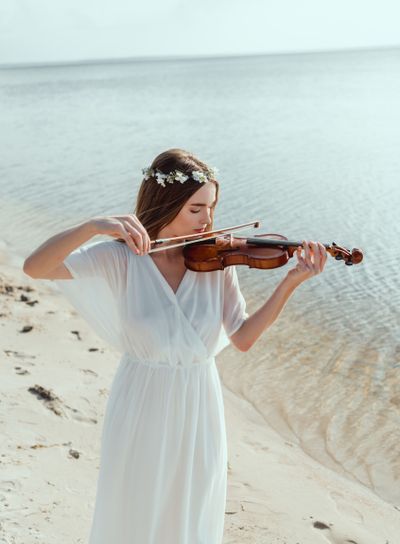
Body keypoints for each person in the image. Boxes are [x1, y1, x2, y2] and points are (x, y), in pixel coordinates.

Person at [23, 147, 327, 543]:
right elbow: (35, 268)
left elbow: (243, 338)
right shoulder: (122, 258)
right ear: (167, 203)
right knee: (136, 506)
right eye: (196, 209)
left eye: (212, 208)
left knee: (191, 508)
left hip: (198, 401)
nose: (209, 221)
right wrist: (92, 227)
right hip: (141, 400)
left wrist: (290, 282)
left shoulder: (218, 262)